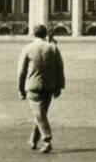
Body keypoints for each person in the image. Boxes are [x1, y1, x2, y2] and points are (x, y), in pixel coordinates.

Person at [17, 24, 65, 154]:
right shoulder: (53, 48)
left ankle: (47, 140)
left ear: (33, 34)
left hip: (33, 86)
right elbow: (60, 68)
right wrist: (59, 87)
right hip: (49, 87)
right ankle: (33, 139)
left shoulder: (27, 48)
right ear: (45, 34)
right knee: (40, 113)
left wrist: (20, 89)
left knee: (39, 114)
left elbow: (21, 72)